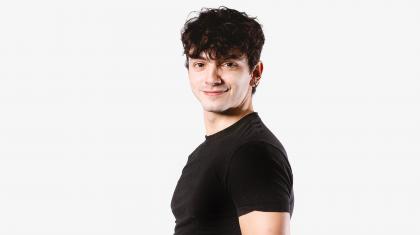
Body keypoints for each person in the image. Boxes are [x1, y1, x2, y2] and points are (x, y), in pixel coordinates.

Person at [170, 6, 294, 235]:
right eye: (200, 64)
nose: (211, 78)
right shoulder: (212, 150)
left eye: (228, 64)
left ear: (255, 73)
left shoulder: (253, 153)